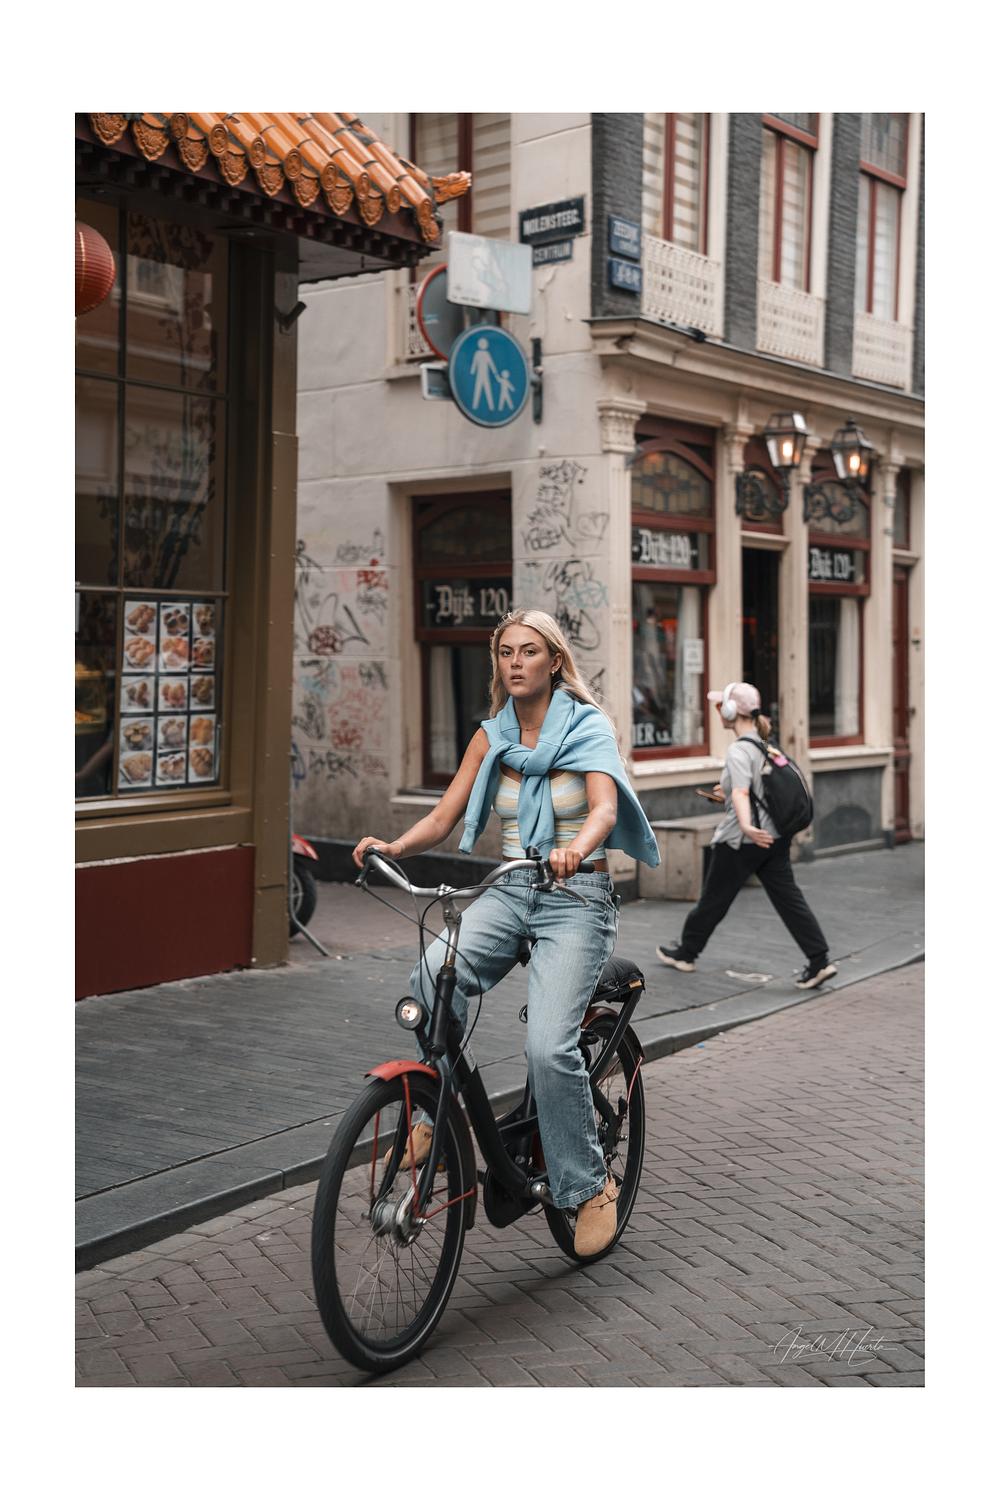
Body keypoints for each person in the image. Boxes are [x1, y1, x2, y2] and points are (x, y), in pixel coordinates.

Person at [353, 609, 659, 1256]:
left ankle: (589, 1186)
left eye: (529, 651)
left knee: (548, 1049)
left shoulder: (588, 727)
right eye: (505, 652)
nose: (516, 663)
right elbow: (444, 815)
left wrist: (576, 847)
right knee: (431, 975)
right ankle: (437, 1118)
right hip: (512, 888)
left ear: (554, 661)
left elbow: (604, 808)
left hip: (576, 897)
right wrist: (394, 847)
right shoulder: (492, 737)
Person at [656, 682, 838, 990]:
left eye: (720, 706)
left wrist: (746, 825)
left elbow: (742, 792)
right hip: (774, 838)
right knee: (788, 899)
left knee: (714, 899)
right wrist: (726, 793)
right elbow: (752, 790)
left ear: (731, 711)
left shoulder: (739, 749)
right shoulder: (766, 745)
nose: (718, 712)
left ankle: (686, 953)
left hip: (742, 841)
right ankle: (819, 960)